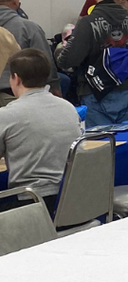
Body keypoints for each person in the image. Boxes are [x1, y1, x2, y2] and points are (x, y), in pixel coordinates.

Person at [56, 0, 128, 127]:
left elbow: (68, 60)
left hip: (95, 93)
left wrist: (58, 53)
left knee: (101, 147)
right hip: (127, 91)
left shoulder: (87, 23)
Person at [0, 49, 82, 214]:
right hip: (73, 202)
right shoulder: (68, 107)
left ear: (16, 78)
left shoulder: (8, 114)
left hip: (33, 205)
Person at [0, 0, 59, 107]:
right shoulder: (29, 28)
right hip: (18, 101)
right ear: (15, 0)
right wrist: (56, 90)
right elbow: (45, 65)